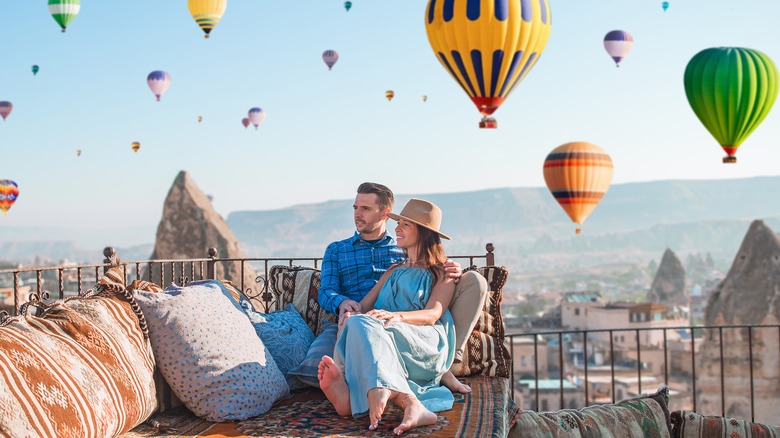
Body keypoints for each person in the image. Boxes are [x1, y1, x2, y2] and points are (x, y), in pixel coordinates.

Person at [317, 182, 488, 392]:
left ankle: (447, 364)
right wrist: (345, 304)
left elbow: (431, 292)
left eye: (366, 208)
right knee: (349, 329)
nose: (357, 214)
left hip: (405, 322)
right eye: (355, 208)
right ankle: (351, 387)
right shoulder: (338, 250)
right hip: (362, 317)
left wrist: (452, 271)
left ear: (384, 213)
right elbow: (326, 292)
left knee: (475, 281)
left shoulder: (401, 250)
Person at [318, 198, 457, 434]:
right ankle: (396, 399)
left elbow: (433, 314)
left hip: (421, 340)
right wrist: (349, 312)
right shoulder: (394, 270)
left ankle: (358, 395)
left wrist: (396, 317)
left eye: (405, 225)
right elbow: (363, 307)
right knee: (356, 321)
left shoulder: (442, 271)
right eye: (398, 223)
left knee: (371, 325)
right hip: (384, 332)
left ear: (423, 232)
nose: (397, 229)